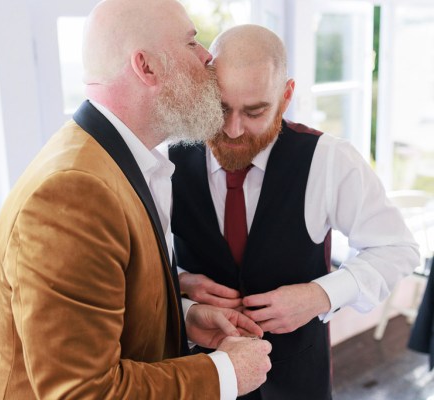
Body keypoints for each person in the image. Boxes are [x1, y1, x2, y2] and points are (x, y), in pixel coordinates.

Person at [0, 2, 272, 399]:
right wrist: (223, 372)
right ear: (146, 67)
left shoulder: (121, 160)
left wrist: (183, 318)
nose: (208, 56)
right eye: (191, 43)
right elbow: (85, 393)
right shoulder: (71, 192)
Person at [170, 24, 420, 400]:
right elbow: (142, 271)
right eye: (221, 108)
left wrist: (320, 295)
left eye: (255, 111)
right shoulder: (165, 162)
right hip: (197, 378)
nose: (234, 130)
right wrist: (182, 291)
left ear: (286, 96)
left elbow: (398, 249)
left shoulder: (329, 160)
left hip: (298, 380)